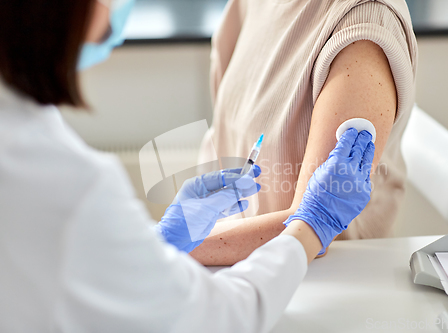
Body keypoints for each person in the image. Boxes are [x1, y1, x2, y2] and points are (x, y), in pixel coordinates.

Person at [0, 0, 375, 332]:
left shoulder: (362, 24)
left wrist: (161, 242)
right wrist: (312, 225)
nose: (115, 8)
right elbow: (219, 318)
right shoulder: (71, 184)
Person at [192, 0, 418, 265]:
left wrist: (175, 244)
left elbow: (309, 230)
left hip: (313, 277)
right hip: (227, 261)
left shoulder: (363, 29)